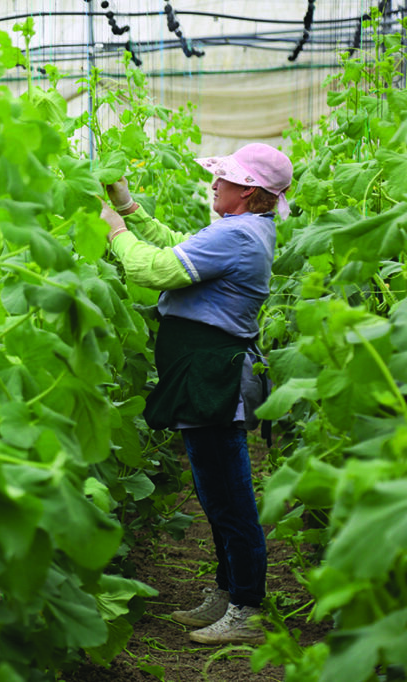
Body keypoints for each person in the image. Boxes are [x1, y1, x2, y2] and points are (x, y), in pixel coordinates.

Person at [99, 143, 293, 646]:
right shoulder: (240, 228)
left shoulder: (239, 235)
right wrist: (129, 208)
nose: (214, 183)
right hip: (206, 371)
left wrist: (116, 232)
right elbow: (179, 247)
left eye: (223, 177)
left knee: (229, 497)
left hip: (214, 376)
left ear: (247, 191)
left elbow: (155, 270)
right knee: (216, 494)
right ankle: (229, 591)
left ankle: (247, 608)